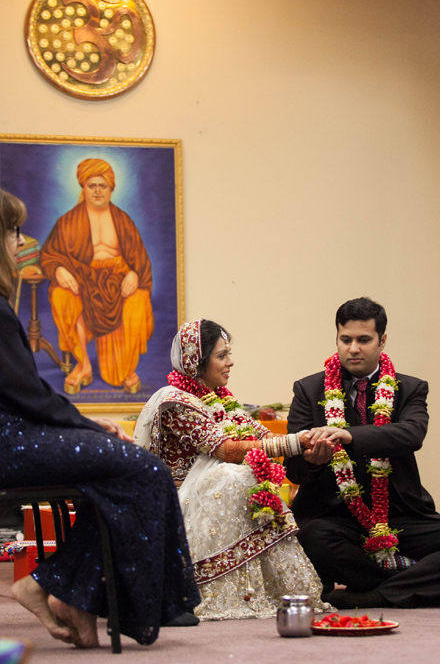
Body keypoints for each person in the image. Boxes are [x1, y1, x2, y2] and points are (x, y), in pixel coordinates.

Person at [0, 187, 200, 648]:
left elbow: (25, 395)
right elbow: (27, 395)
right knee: (145, 470)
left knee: (121, 474)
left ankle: (66, 592)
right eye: (12, 231)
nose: (19, 241)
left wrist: (87, 429)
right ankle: (51, 586)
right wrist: (90, 426)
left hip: (16, 434)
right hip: (10, 443)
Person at [285, 296, 440, 610]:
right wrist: (312, 463)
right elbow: (294, 470)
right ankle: (414, 589)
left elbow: (411, 433)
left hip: (400, 514)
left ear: (382, 340)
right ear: (337, 339)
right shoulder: (309, 390)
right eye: (346, 339)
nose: (353, 348)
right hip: (333, 517)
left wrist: (348, 434)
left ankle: (376, 594)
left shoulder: (409, 388)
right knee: (311, 539)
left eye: (363, 340)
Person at [134, 319, 330, 621]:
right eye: (221, 355)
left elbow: (263, 436)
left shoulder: (223, 400)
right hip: (179, 499)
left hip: (210, 494)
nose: (230, 362)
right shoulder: (175, 402)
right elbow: (225, 449)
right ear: (196, 363)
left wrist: (310, 440)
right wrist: (295, 443)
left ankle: (264, 589)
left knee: (241, 478)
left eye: (229, 353)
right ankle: (215, 590)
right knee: (234, 475)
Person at [41, 158, 153, 395]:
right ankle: (83, 365)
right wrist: (59, 270)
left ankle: (125, 368)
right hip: (84, 279)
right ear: (83, 188)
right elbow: (49, 255)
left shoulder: (123, 220)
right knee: (62, 296)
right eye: (92, 185)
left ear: (111, 188)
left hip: (118, 278)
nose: (98, 191)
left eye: (103, 185)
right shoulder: (68, 222)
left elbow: (140, 259)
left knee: (137, 301)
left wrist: (134, 274)